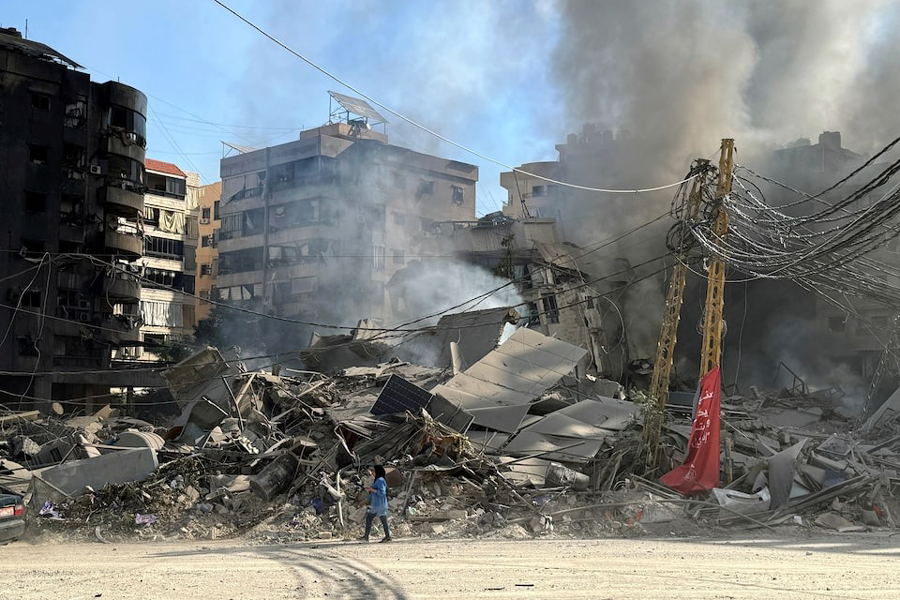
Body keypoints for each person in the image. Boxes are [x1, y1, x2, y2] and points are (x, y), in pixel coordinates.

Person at [359, 465, 392, 542]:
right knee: (381, 520)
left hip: (379, 505)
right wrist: (366, 500)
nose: (372, 473)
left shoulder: (380, 480)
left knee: (371, 519)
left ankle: (367, 537)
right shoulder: (377, 480)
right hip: (377, 505)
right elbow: (373, 494)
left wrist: (371, 489)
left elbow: (382, 492)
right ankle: (387, 537)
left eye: (374, 471)